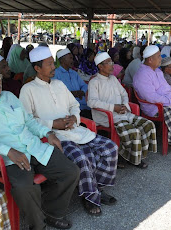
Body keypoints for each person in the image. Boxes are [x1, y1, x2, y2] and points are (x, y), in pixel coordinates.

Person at [0, 59, 80, 230]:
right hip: (8, 159)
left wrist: (48, 133)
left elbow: (29, 121)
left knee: (71, 171)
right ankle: (38, 226)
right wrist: (8, 150)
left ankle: (52, 211)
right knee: (25, 187)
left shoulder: (9, 96)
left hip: (34, 146)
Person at [20, 46, 118, 217]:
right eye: (49, 64)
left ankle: (96, 188)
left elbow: (75, 105)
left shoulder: (59, 84)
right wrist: (52, 124)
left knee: (111, 148)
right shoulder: (28, 90)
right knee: (82, 158)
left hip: (75, 130)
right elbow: (26, 121)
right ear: (37, 68)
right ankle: (90, 197)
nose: (53, 67)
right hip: (55, 136)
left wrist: (74, 117)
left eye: (53, 63)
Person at [88, 52, 157, 168]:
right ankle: (129, 158)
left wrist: (125, 105)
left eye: (112, 62)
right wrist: (113, 107)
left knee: (148, 124)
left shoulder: (114, 79)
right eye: (109, 63)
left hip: (123, 112)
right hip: (108, 116)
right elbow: (92, 102)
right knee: (134, 132)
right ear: (100, 66)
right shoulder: (94, 82)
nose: (112, 65)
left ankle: (138, 155)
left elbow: (124, 93)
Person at [54, 48, 91, 118]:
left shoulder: (74, 73)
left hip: (82, 104)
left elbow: (84, 85)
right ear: (62, 60)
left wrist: (81, 92)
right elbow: (56, 92)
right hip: (68, 108)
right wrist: (73, 94)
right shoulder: (56, 74)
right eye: (70, 58)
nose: (72, 61)